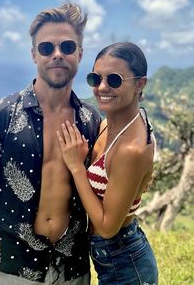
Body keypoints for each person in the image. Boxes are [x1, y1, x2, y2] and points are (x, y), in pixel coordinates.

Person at [0, 2, 101, 285]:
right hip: (15, 266)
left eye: (68, 47)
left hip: (73, 267)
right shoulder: (0, 115)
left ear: (80, 53)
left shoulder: (91, 121)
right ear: (34, 55)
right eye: (47, 48)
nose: (58, 55)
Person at [57, 42, 159, 284]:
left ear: (140, 84)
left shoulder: (130, 148)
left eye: (114, 80)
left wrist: (76, 167)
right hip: (113, 257)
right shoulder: (107, 124)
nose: (102, 87)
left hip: (125, 263)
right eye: (95, 78)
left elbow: (107, 227)